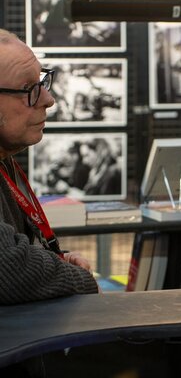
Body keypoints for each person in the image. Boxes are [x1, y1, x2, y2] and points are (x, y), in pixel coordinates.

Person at [0, 28, 99, 375]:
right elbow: (7, 268)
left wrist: (51, 260)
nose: (48, 99)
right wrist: (79, 280)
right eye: (29, 90)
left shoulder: (6, 159)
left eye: (42, 82)